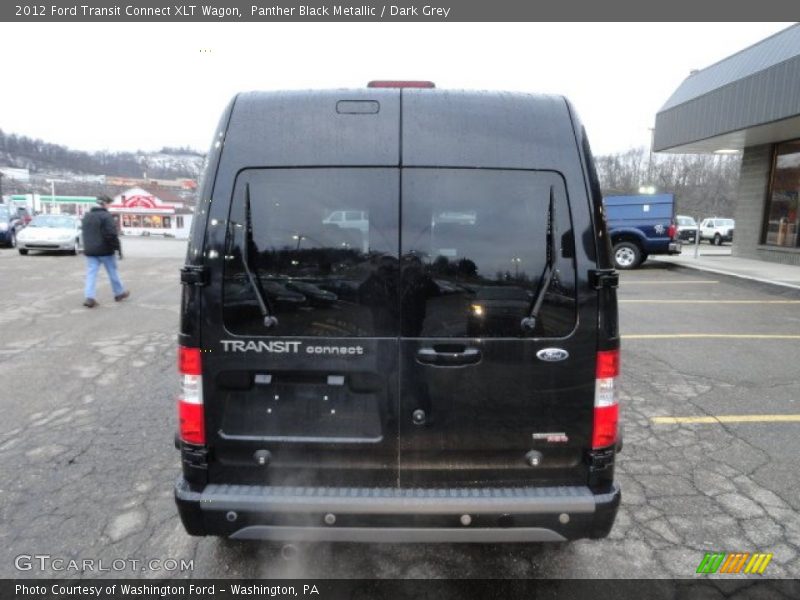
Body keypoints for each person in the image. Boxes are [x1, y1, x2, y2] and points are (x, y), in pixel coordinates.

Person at [81, 195, 129, 308]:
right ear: (104, 204)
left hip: (90, 250)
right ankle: (119, 293)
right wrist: (117, 248)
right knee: (112, 272)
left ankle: (89, 297)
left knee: (91, 274)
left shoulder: (87, 216)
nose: (109, 206)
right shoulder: (106, 216)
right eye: (109, 203)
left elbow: (85, 233)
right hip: (105, 250)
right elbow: (111, 234)